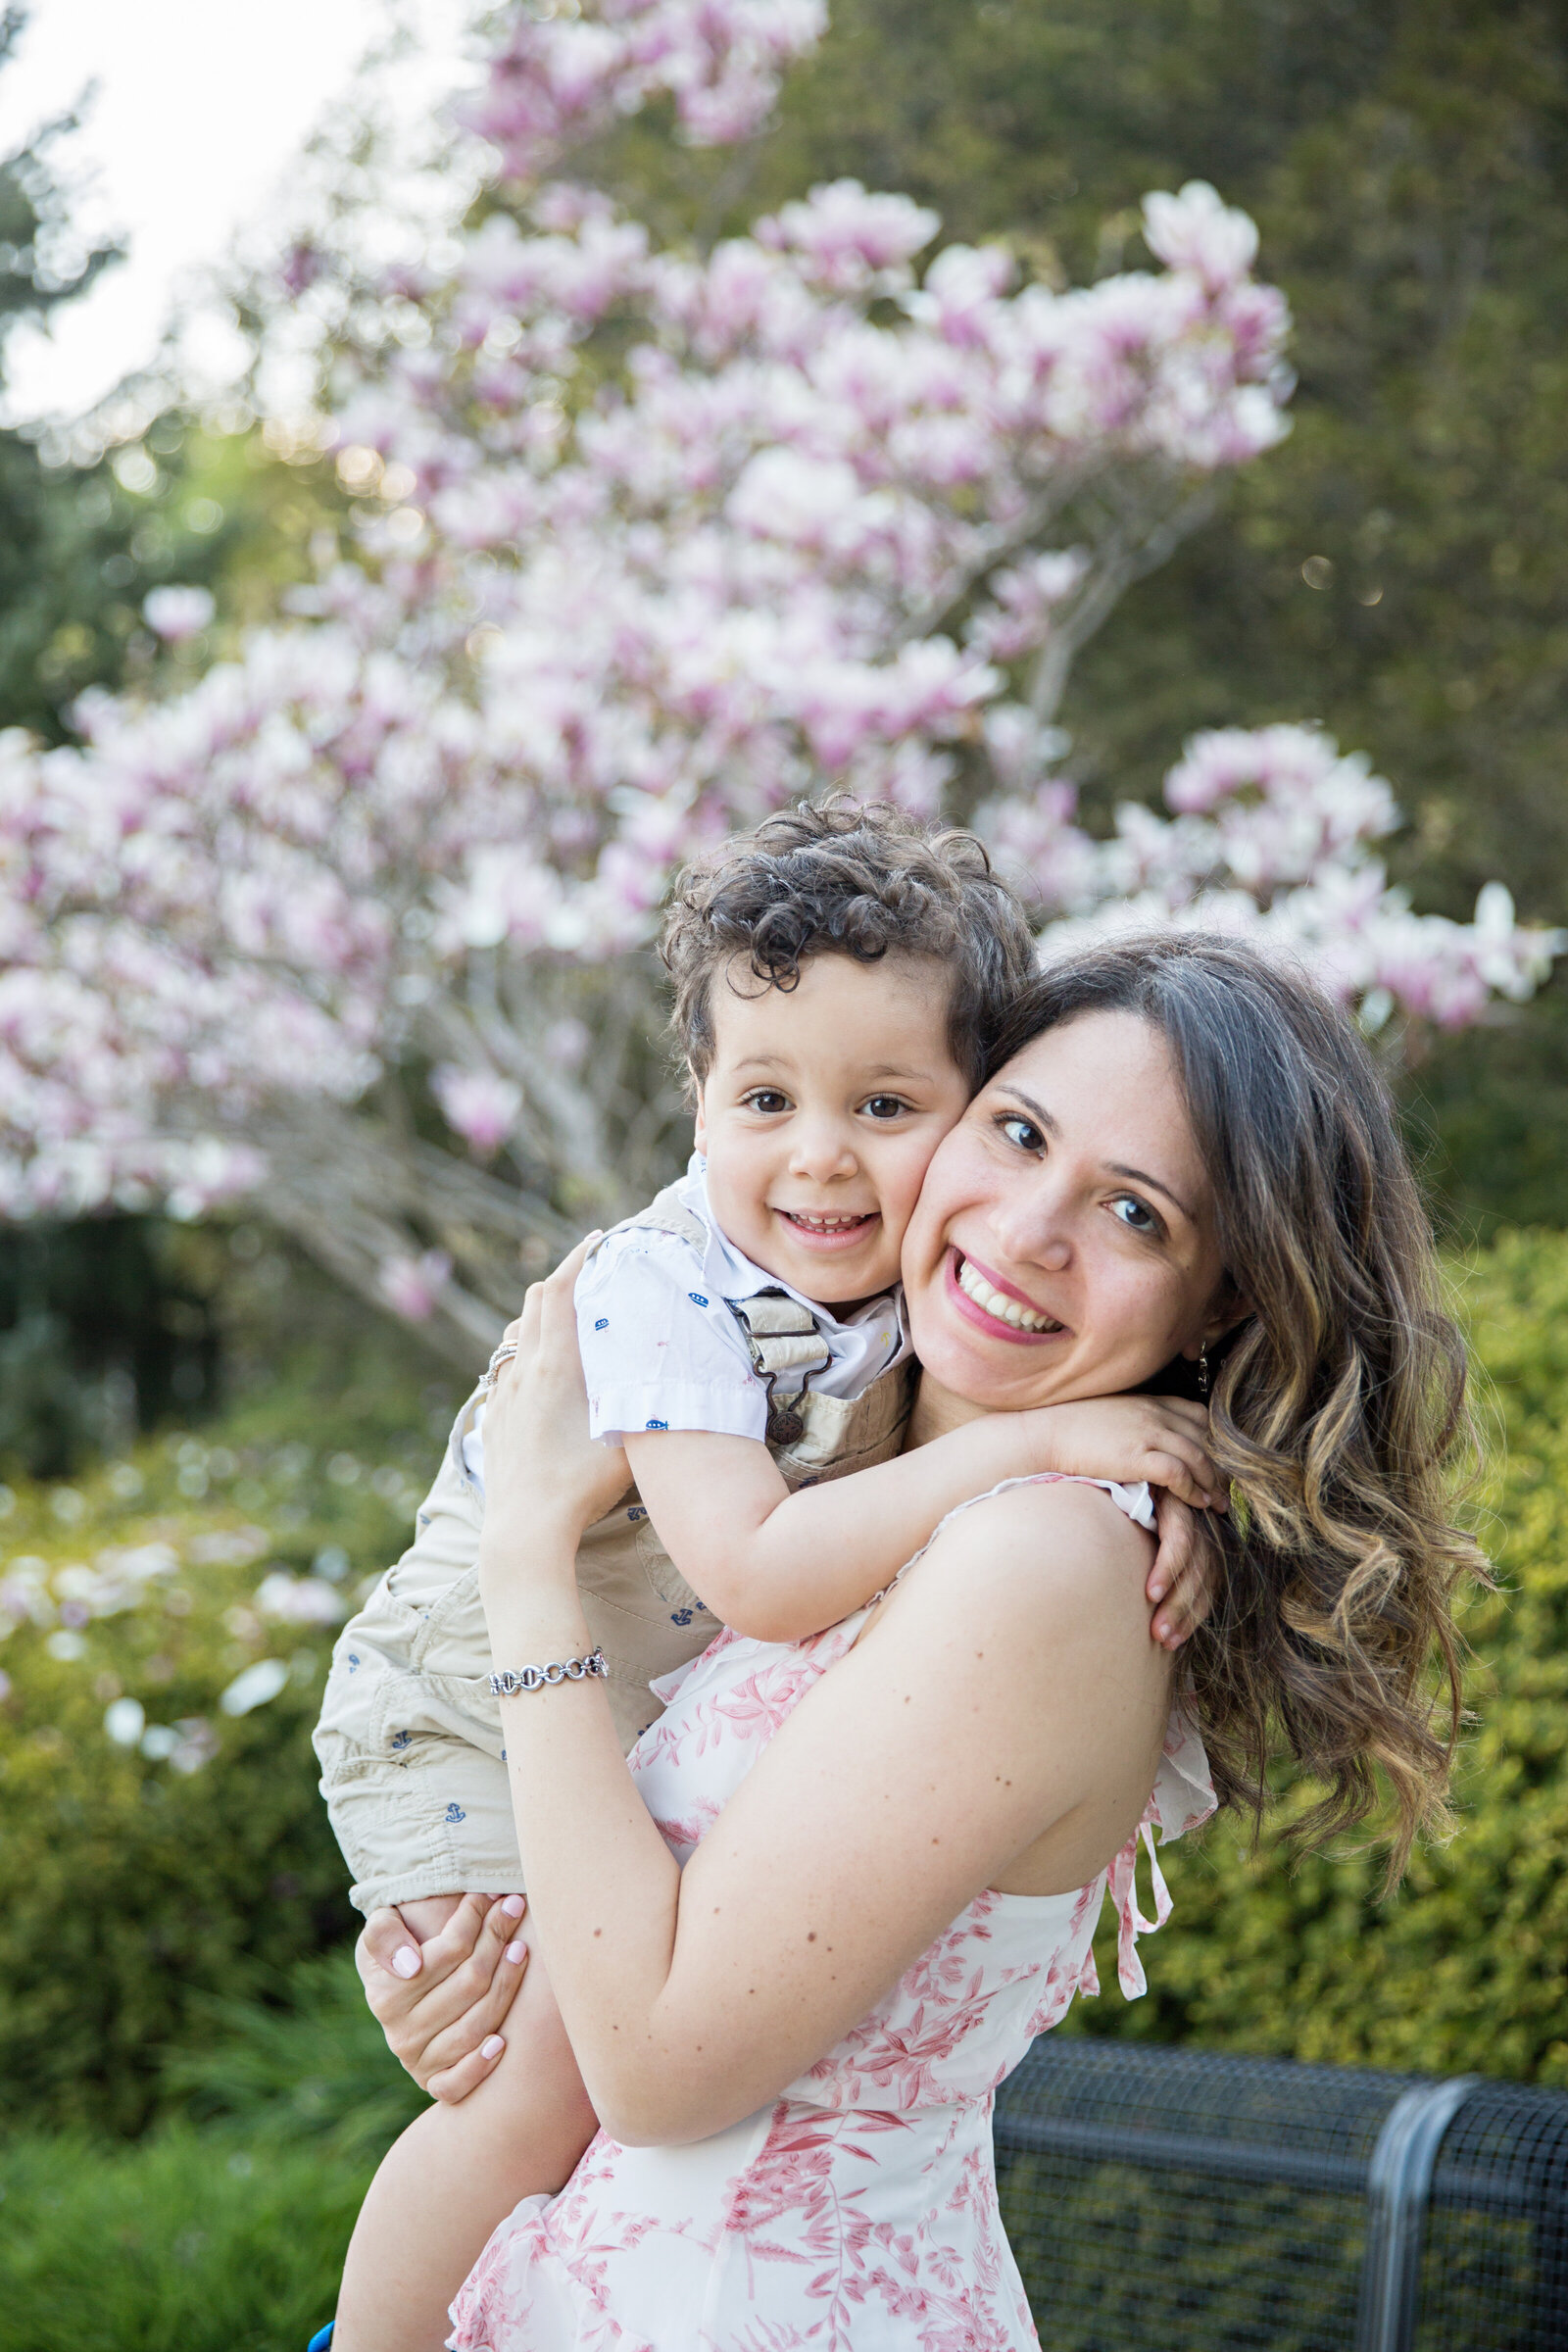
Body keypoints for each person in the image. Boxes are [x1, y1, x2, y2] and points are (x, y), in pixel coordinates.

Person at [354, 933, 1481, 2351]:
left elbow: (657, 2065)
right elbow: (632, 1925)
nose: (1023, 1231)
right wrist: (467, 1961)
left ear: (1228, 1297)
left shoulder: (1046, 1559)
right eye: (1015, 1133)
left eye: (1135, 1214)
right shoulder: (847, 1452)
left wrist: (527, 1555)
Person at [316, 808, 1222, 2350]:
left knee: (525, 2082)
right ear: (697, 1105)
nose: (821, 1154)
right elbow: (752, 1584)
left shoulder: (1037, 1528)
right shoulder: (692, 1297)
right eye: (1020, 1137)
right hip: (448, 1689)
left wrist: (1095, 1451)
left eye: (885, 1103)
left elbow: (656, 2062)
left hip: (771, 2289)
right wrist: (1062, 1434)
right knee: (496, 2075)